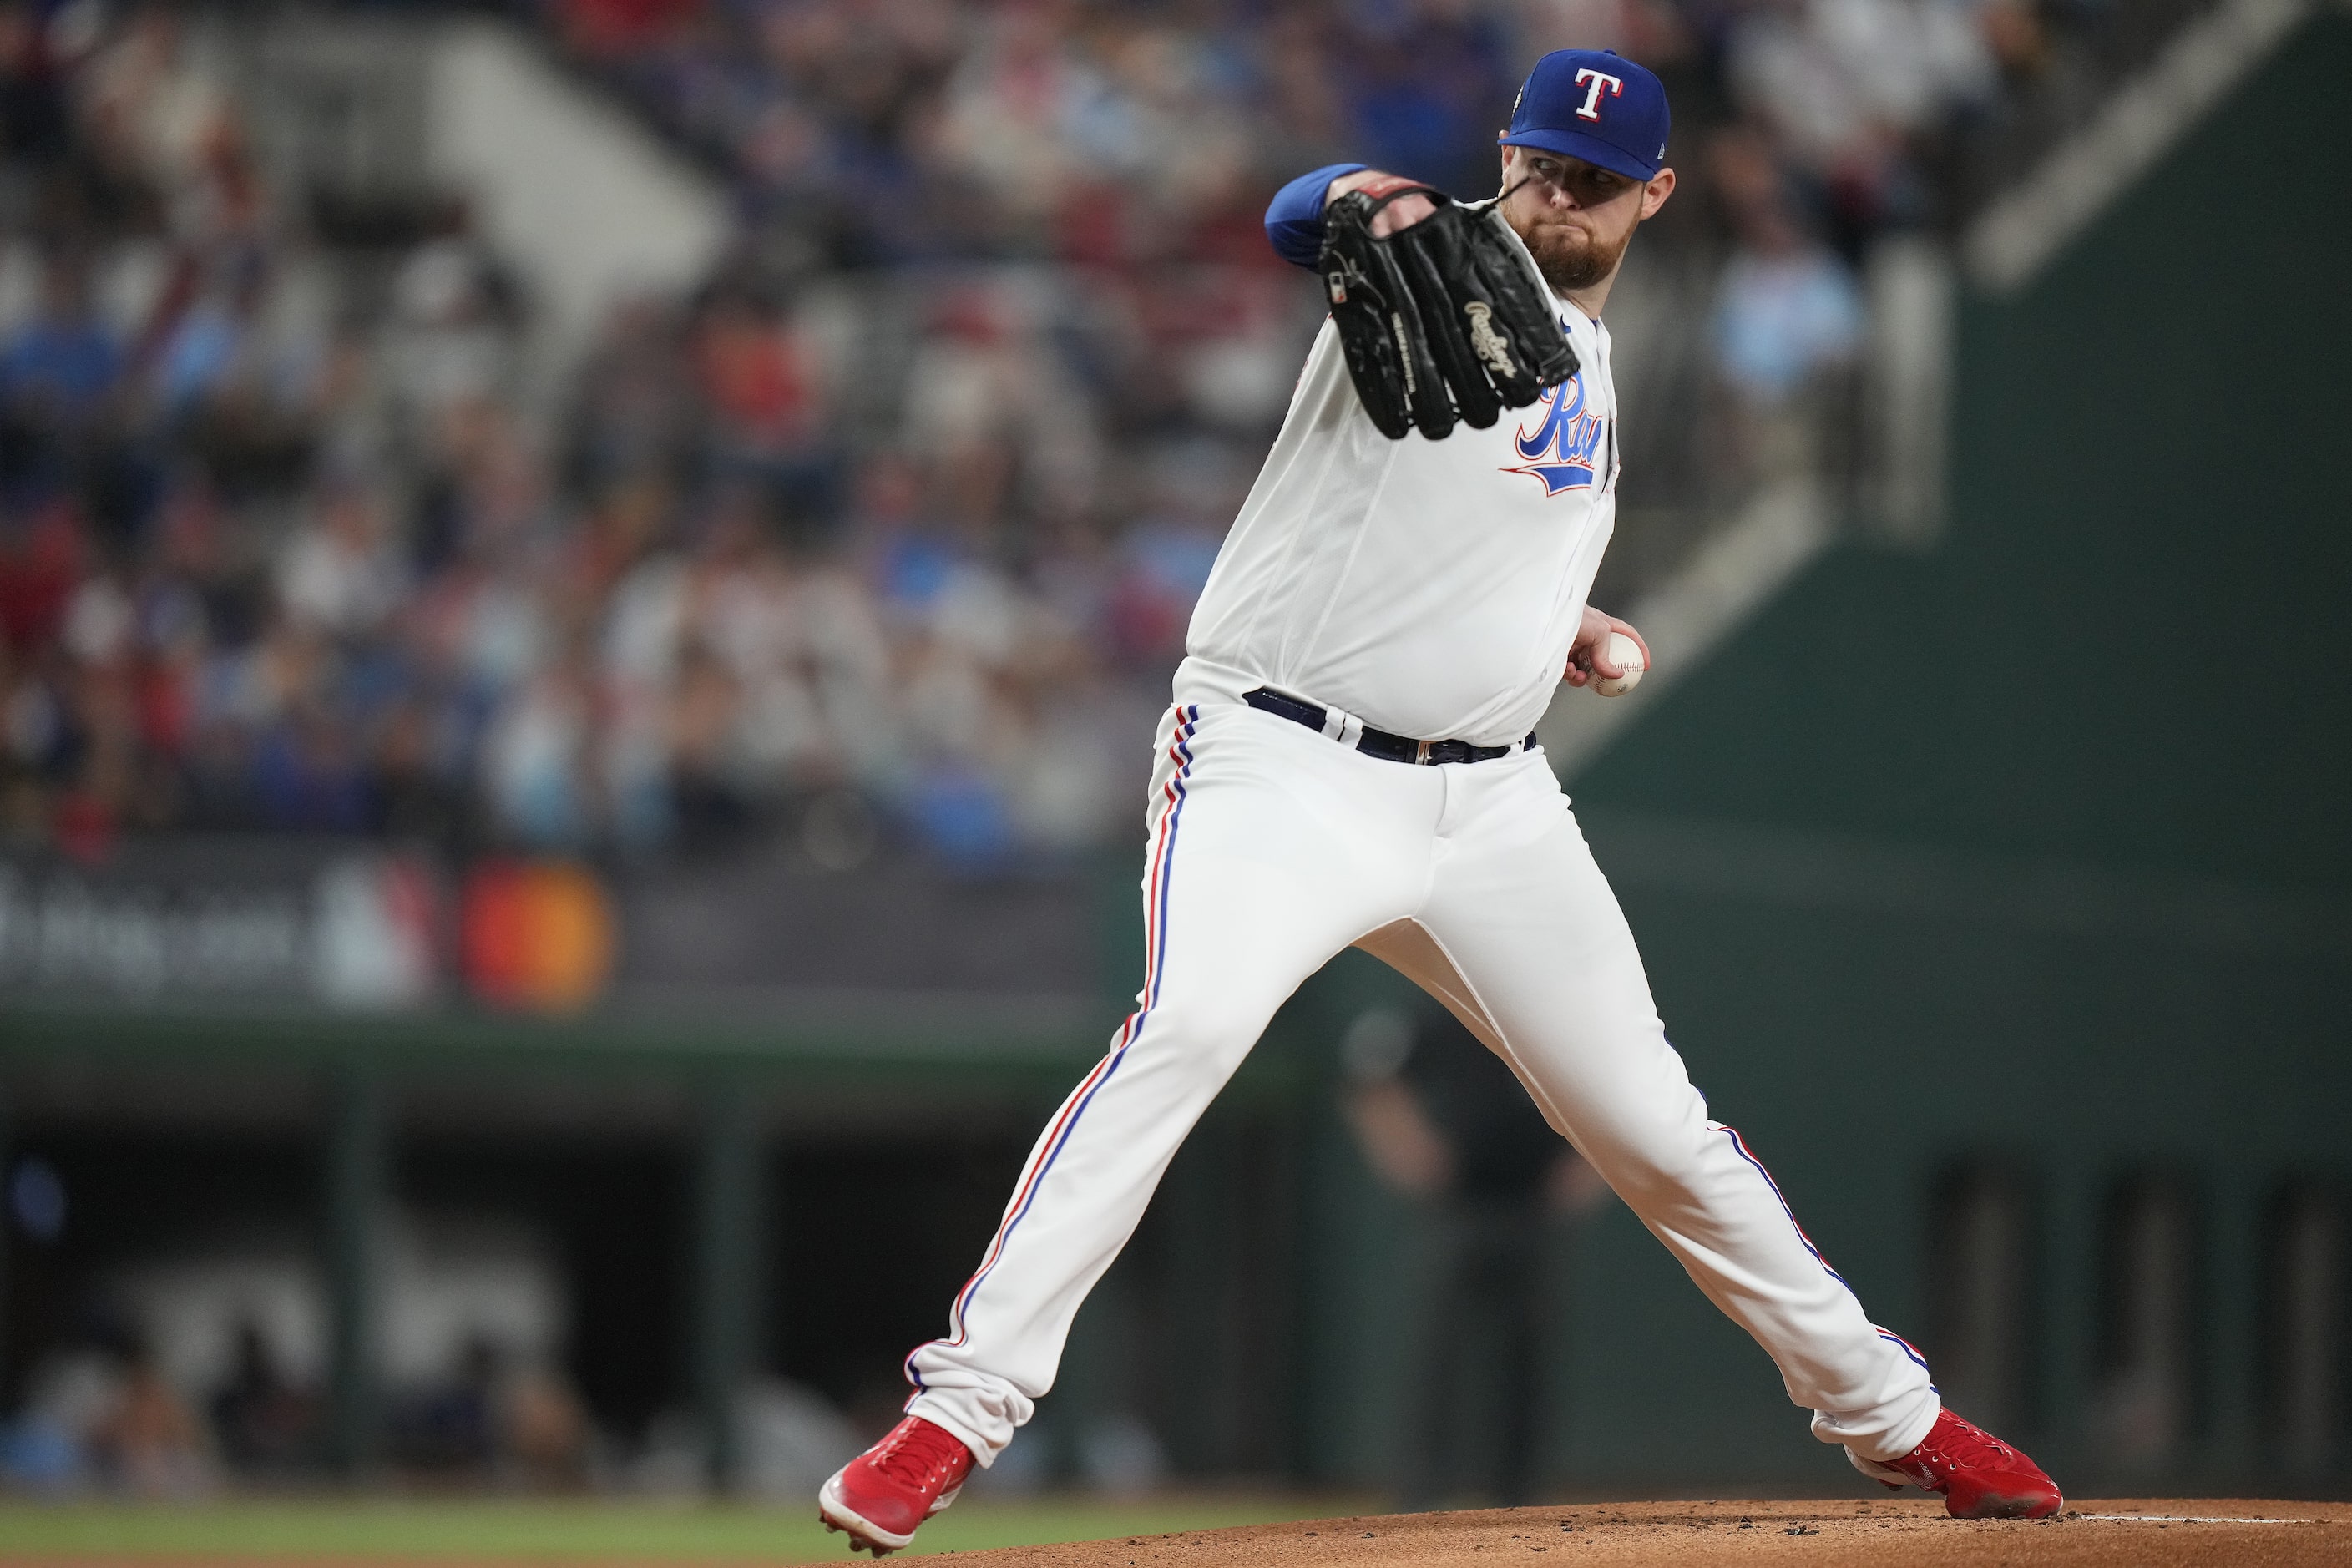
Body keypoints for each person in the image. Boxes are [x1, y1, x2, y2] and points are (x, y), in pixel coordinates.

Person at [819, 48, 2061, 1557]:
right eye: (1538, 162)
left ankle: (1892, 1414)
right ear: (1504, 152)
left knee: (1657, 1129)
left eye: (1591, 182)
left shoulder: (1599, 362)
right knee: (1190, 1030)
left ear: (1653, 196)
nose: (1555, 195)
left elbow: (1475, 539)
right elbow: (1305, 219)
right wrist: (1358, 190)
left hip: (1488, 806)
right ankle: (961, 1409)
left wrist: (1573, 625)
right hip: (1283, 758)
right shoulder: (1428, 249)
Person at [1342, 1000, 1607, 1507]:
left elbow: (1618, 1094)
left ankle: (1517, 1498)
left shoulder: (1556, 1022)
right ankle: (1419, 1499)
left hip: (1533, 1213)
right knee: (1441, 1363)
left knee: (1525, 1369)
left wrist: (1591, 1170)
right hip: (1461, 1211)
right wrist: (1409, 1152)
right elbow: (1371, 1081)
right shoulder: (1447, 1016)